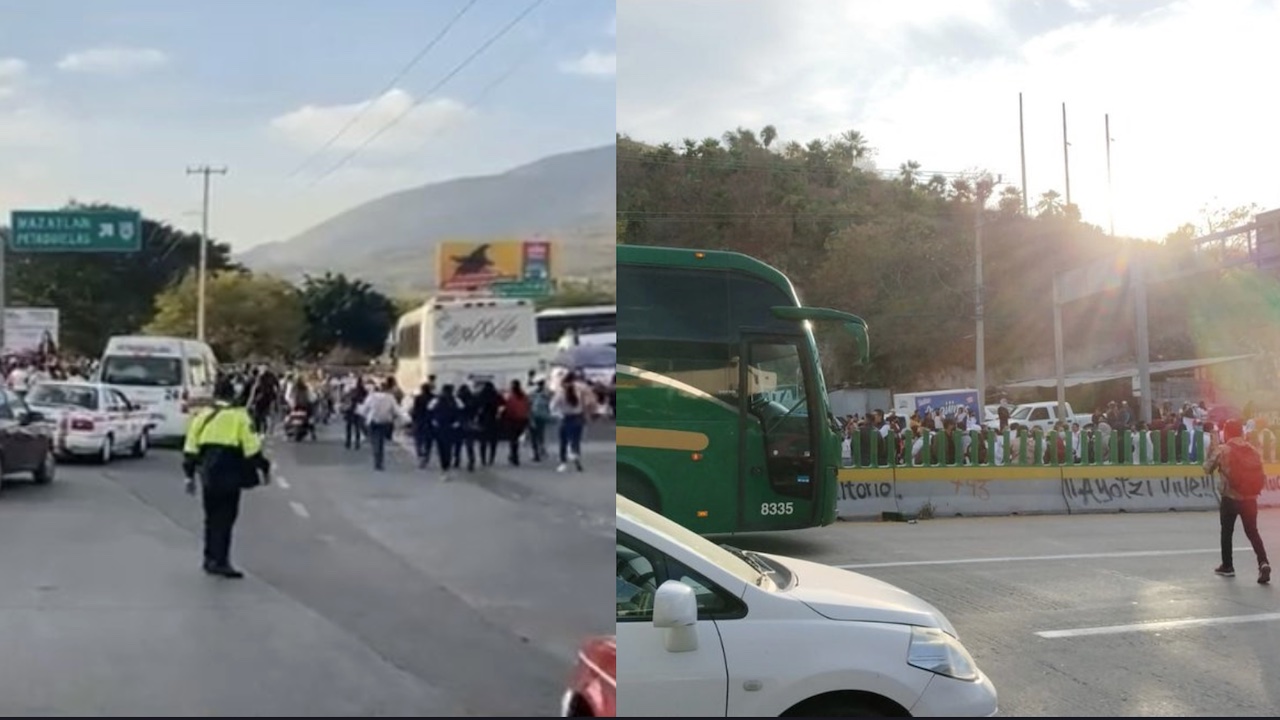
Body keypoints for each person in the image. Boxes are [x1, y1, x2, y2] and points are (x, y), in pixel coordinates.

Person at [182, 379, 270, 579]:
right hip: (230, 474)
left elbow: (190, 449)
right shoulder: (239, 417)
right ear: (232, 395)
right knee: (226, 519)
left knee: (211, 518)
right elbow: (252, 448)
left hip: (208, 476)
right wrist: (264, 468)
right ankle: (221, 561)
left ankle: (209, 558)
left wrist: (189, 477)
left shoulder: (202, 416)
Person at [1205, 418, 1271, 584]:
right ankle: (1263, 562)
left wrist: (1210, 449)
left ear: (1226, 432)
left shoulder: (1223, 450)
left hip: (1230, 497)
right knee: (1252, 532)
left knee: (1227, 531)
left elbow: (1206, 468)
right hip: (1250, 498)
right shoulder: (1252, 450)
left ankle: (1228, 566)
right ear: (1241, 432)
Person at [359, 378, 409, 471]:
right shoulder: (390, 398)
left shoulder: (371, 397)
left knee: (375, 441)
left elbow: (364, 409)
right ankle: (380, 461)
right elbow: (396, 410)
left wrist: (365, 416)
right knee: (381, 441)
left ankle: (377, 459)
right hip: (385, 422)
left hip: (373, 422)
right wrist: (404, 419)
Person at [501, 379, 531, 466]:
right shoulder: (524, 396)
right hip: (522, 420)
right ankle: (514, 456)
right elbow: (528, 407)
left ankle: (514, 456)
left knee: (513, 439)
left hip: (513, 420)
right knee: (516, 439)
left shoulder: (511, 397)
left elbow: (508, 409)